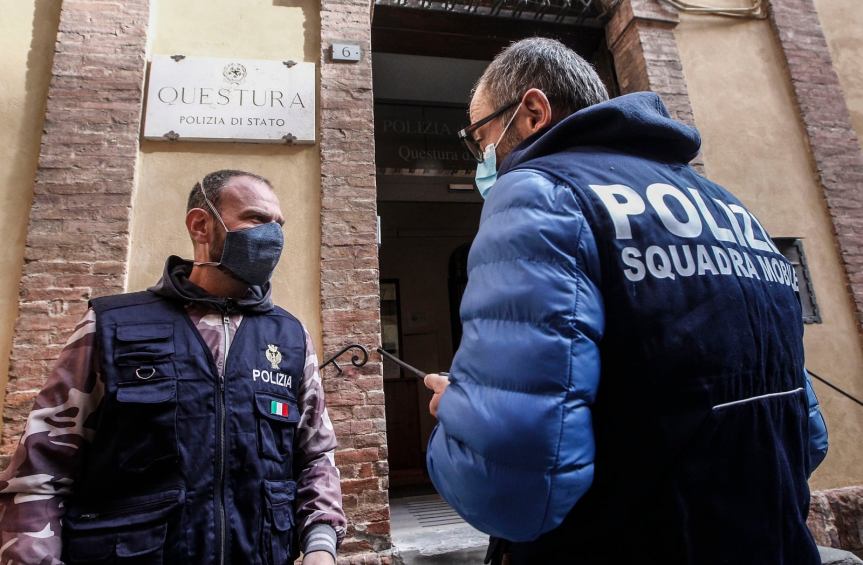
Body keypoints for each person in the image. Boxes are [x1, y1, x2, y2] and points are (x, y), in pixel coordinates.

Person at [423, 38, 829, 564]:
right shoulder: (731, 208)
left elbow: (514, 489)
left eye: (481, 136)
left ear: (531, 112)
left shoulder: (539, 193)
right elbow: (807, 436)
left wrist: (460, 414)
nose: (482, 157)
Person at [0, 170, 345, 564]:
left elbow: (316, 456)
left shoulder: (289, 336)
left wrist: (321, 545)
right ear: (201, 224)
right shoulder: (112, 324)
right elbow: (40, 473)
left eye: (278, 225)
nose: (273, 235)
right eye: (256, 219)